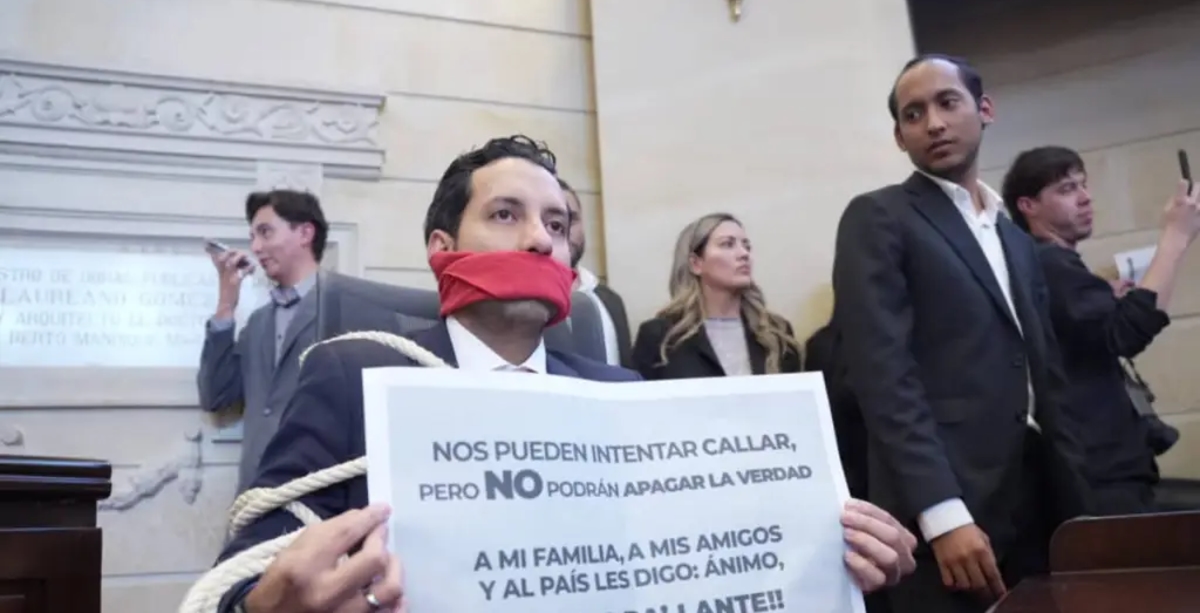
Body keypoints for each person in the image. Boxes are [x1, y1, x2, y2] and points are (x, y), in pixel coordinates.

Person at [211, 135, 919, 613]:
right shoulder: (353, 374)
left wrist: (831, 559)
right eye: (506, 214)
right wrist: (272, 604)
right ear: (443, 247)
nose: (539, 240)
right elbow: (239, 580)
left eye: (556, 224)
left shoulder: (621, 395)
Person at [832, 55, 1090, 613]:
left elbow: (1044, 373)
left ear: (985, 109)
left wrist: (1078, 502)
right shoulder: (880, 218)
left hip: (1040, 498)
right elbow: (884, 379)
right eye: (913, 114)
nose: (934, 123)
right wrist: (942, 513)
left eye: (948, 103)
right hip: (947, 509)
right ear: (899, 137)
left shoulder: (1014, 237)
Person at [1001, 145, 1200, 514]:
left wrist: (1104, 298)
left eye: (1083, 184)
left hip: (1101, 466)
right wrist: (1175, 237)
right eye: (1066, 189)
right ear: (1028, 205)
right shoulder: (1049, 263)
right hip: (1101, 472)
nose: (1085, 197)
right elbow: (1126, 333)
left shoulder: (1042, 263)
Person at [197, 190, 414, 492]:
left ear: (305, 233)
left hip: (325, 495)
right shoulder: (258, 323)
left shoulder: (358, 308)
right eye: (253, 237)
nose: (256, 247)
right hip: (257, 495)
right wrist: (226, 306)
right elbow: (216, 396)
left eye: (265, 232)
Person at [632, 213, 802, 380]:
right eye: (727, 244)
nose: (744, 254)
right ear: (696, 263)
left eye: (747, 246)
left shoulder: (776, 333)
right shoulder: (660, 337)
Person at [559, 177, 634, 367]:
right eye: (553, 221)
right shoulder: (517, 303)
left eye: (572, 218)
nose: (563, 229)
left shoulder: (610, 300)